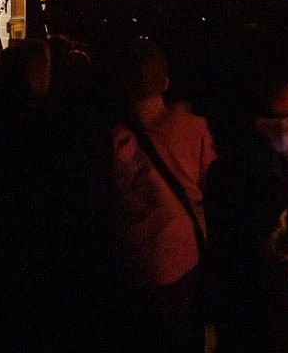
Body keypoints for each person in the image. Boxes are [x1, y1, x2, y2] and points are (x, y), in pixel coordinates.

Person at [108, 40, 216, 353]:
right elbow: (209, 184)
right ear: (165, 80)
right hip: (184, 255)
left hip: (134, 260)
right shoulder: (195, 127)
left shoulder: (116, 140)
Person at [206, 82, 288, 353]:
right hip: (263, 326)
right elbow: (251, 235)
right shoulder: (237, 173)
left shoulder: (282, 167)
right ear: (265, 122)